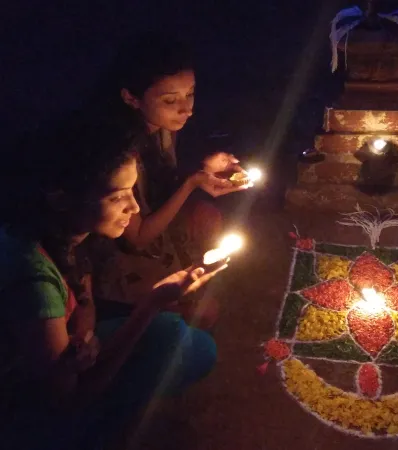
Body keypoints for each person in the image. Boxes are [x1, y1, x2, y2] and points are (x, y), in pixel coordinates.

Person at [0, 116, 226, 450]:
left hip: (63, 357)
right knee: (177, 345)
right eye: (117, 197)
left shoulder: (70, 232)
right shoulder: (35, 283)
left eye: (132, 191)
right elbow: (69, 398)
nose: (133, 207)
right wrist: (151, 303)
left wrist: (83, 337)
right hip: (27, 407)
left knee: (190, 341)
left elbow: (85, 302)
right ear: (61, 198)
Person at [86, 32, 248, 322]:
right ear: (131, 98)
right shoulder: (119, 152)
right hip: (111, 251)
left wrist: (206, 166)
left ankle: (184, 296)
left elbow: (164, 180)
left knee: (207, 216)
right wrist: (191, 183)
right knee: (203, 313)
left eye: (190, 94)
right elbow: (137, 238)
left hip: (150, 229)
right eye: (170, 100)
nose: (187, 109)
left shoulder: (160, 126)